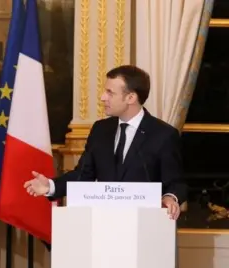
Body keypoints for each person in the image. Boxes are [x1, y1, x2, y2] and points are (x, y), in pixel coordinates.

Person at [24, 65, 186, 220]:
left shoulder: (163, 134)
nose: (103, 97)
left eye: (110, 92)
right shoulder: (101, 129)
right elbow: (83, 175)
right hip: (103, 224)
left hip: (145, 228)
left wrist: (169, 198)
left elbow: (176, 183)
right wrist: (50, 186)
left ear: (131, 97)